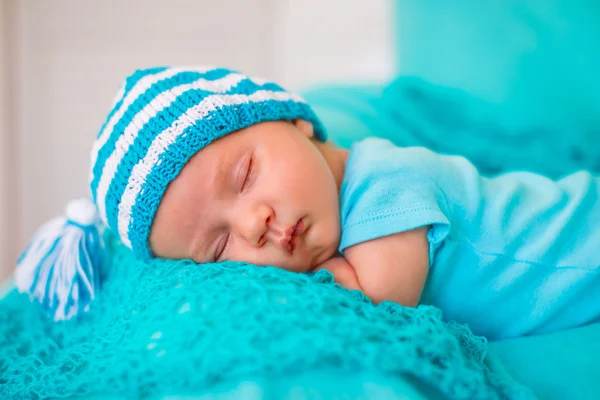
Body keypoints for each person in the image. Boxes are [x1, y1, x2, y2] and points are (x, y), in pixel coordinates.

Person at [17, 66, 600, 340]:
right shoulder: (332, 208)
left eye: (244, 176)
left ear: (296, 121)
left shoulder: (389, 182)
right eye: (218, 247)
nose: (254, 224)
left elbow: (374, 301)